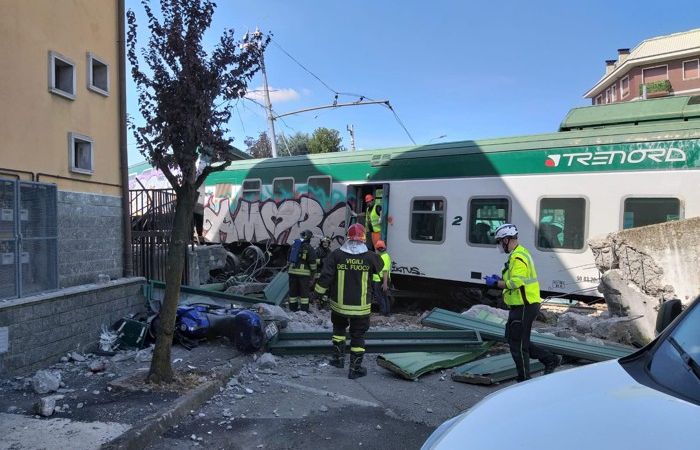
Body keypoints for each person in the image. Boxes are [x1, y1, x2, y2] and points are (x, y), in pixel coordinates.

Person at [484, 223, 561, 382]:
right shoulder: (518, 254)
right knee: (515, 339)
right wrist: (501, 279)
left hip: (525, 306)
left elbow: (516, 283)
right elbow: (515, 280)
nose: (499, 245)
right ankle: (549, 359)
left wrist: (495, 284)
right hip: (522, 306)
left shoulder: (518, 257)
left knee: (517, 344)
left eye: (500, 241)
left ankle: (524, 379)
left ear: (506, 240)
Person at [313, 223, 382, 379]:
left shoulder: (336, 255)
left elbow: (326, 277)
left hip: (339, 306)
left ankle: (338, 360)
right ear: (364, 239)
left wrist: (317, 294)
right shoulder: (371, 257)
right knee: (358, 336)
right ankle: (355, 369)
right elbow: (381, 266)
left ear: (348, 238)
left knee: (338, 331)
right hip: (361, 307)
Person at [287, 230, 317, 312]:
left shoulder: (294, 245)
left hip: (292, 271)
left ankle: (293, 308)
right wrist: (313, 273)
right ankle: (304, 310)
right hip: (303, 274)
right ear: (309, 238)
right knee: (304, 293)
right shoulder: (309, 248)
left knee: (293, 291)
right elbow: (312, 263)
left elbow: (288, 257)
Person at [372, 240, 392, 315]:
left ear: (378, 249)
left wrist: (385, 283)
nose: (375, 251)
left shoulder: (383, 258)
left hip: (381, 280)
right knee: (384, 296)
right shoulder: (385, 256)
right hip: (382, 279)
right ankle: (387, 312)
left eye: (376, 249)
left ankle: (383, 312)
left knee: (379, 296)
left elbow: (385, 271)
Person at [314, 236, 333, 309]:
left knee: (326, 290)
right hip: (319, 273)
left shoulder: (330, 252)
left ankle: (324, 302)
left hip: (326, 274)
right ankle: (316, 301)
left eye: (327, 242)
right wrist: (322, 261)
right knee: (318, 289)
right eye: (324, 242)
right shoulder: (318, 250)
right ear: (321, 243)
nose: (325, 244)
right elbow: (313, 261)